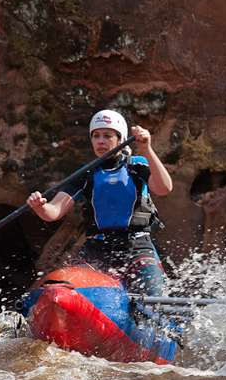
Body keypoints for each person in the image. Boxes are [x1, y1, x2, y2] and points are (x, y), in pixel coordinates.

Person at [26, 109, 173, 296]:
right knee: (61, 290)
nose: (100, 141)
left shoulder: (137, 165)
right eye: (96, 136)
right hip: (95, 250)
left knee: (154, 298)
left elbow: (164, 188)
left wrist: (147, 149)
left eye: (107, 135)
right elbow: (53, 212)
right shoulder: (86, 174)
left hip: (137, 249)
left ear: (121, 139)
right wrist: (40, 206)